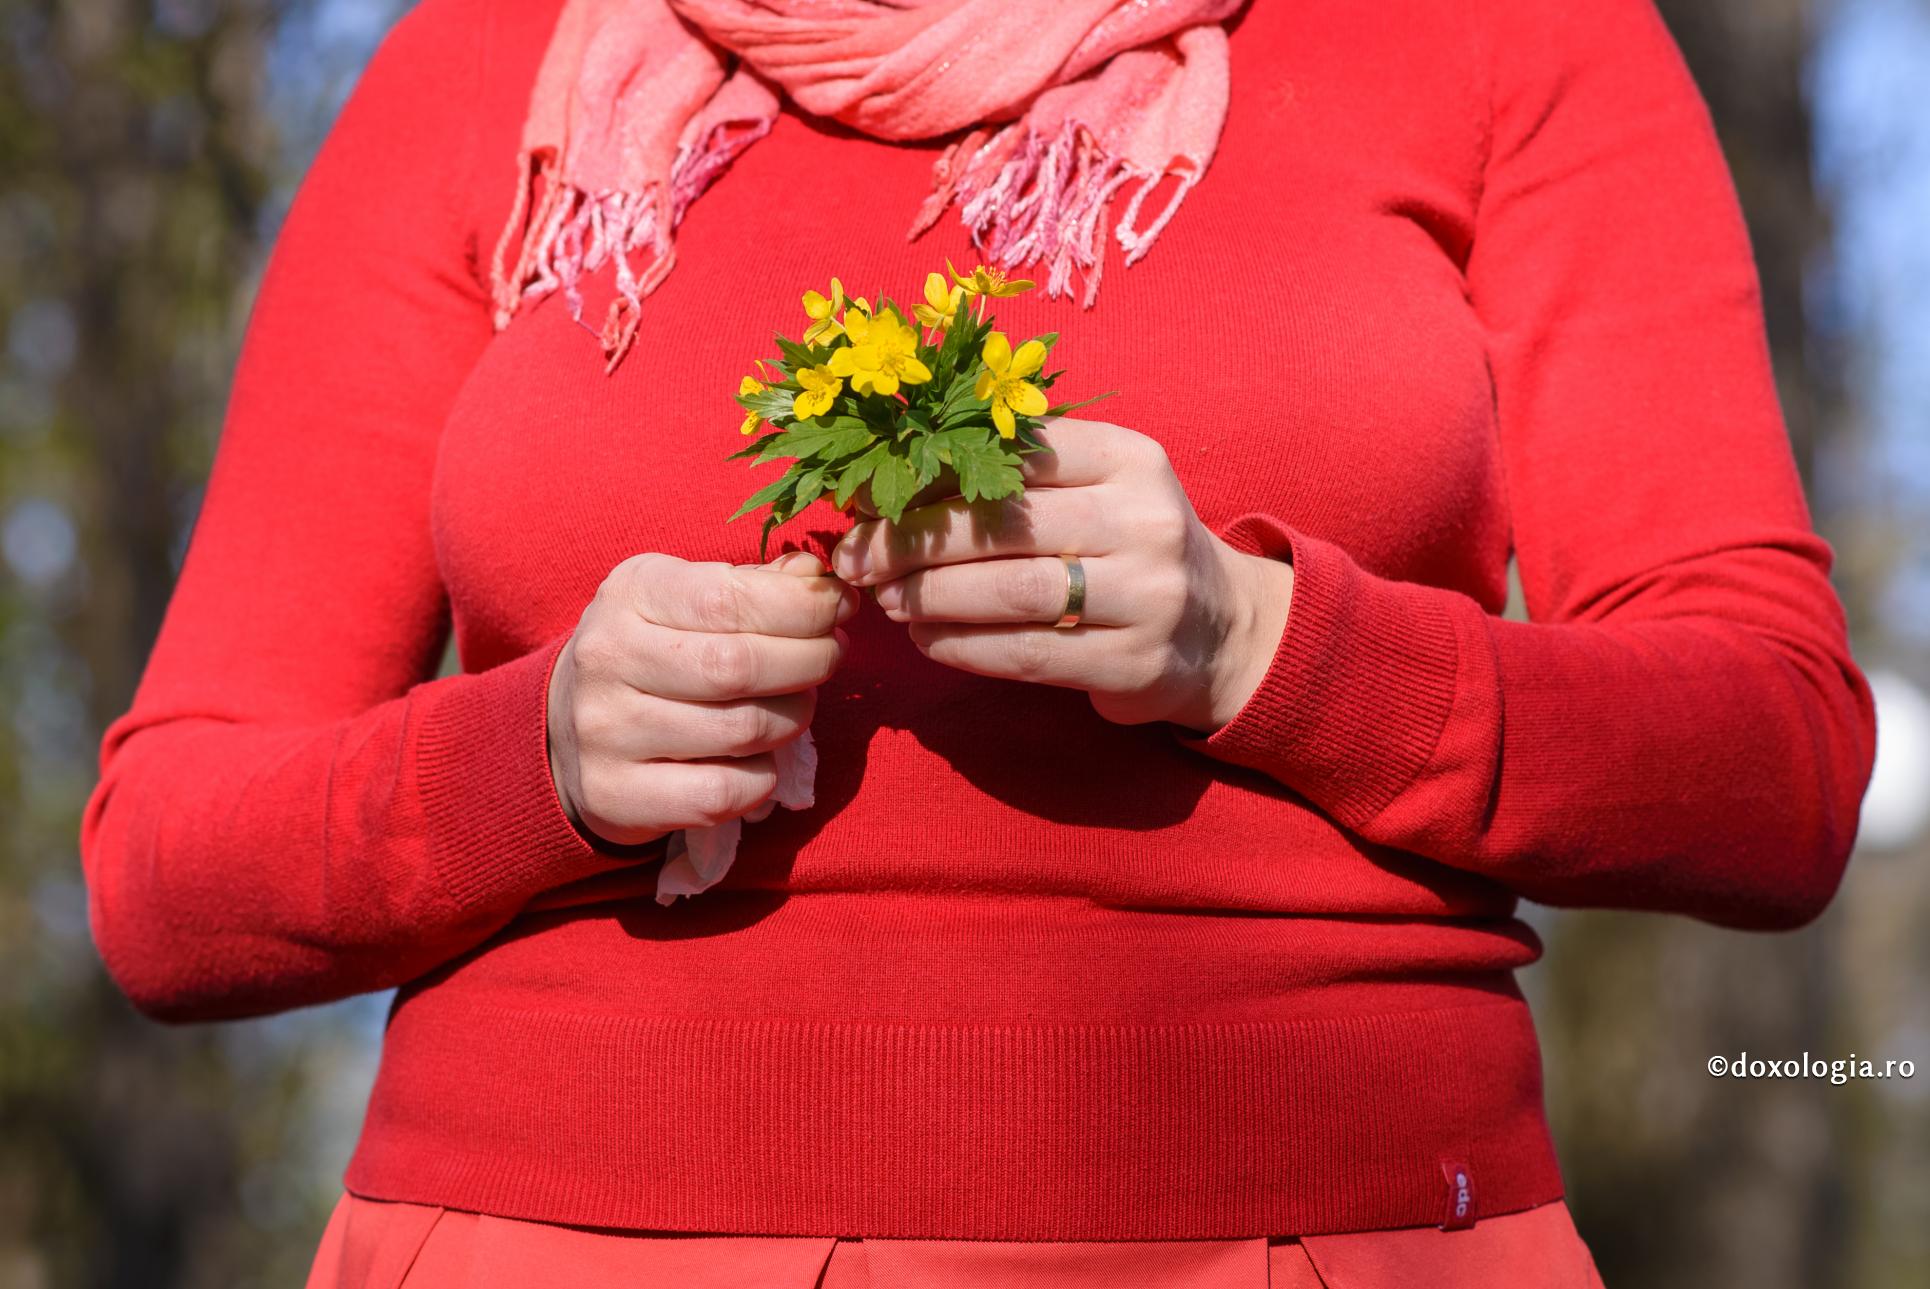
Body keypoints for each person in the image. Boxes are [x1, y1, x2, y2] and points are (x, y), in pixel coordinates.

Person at [78, 0, 1878, 1285]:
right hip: (546, 1240)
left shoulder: (1500, 33)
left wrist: (1259, 640)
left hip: (1327, 1233)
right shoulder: (489, 66)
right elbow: (168, 869)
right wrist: (532, 756)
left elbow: (1775, 757)